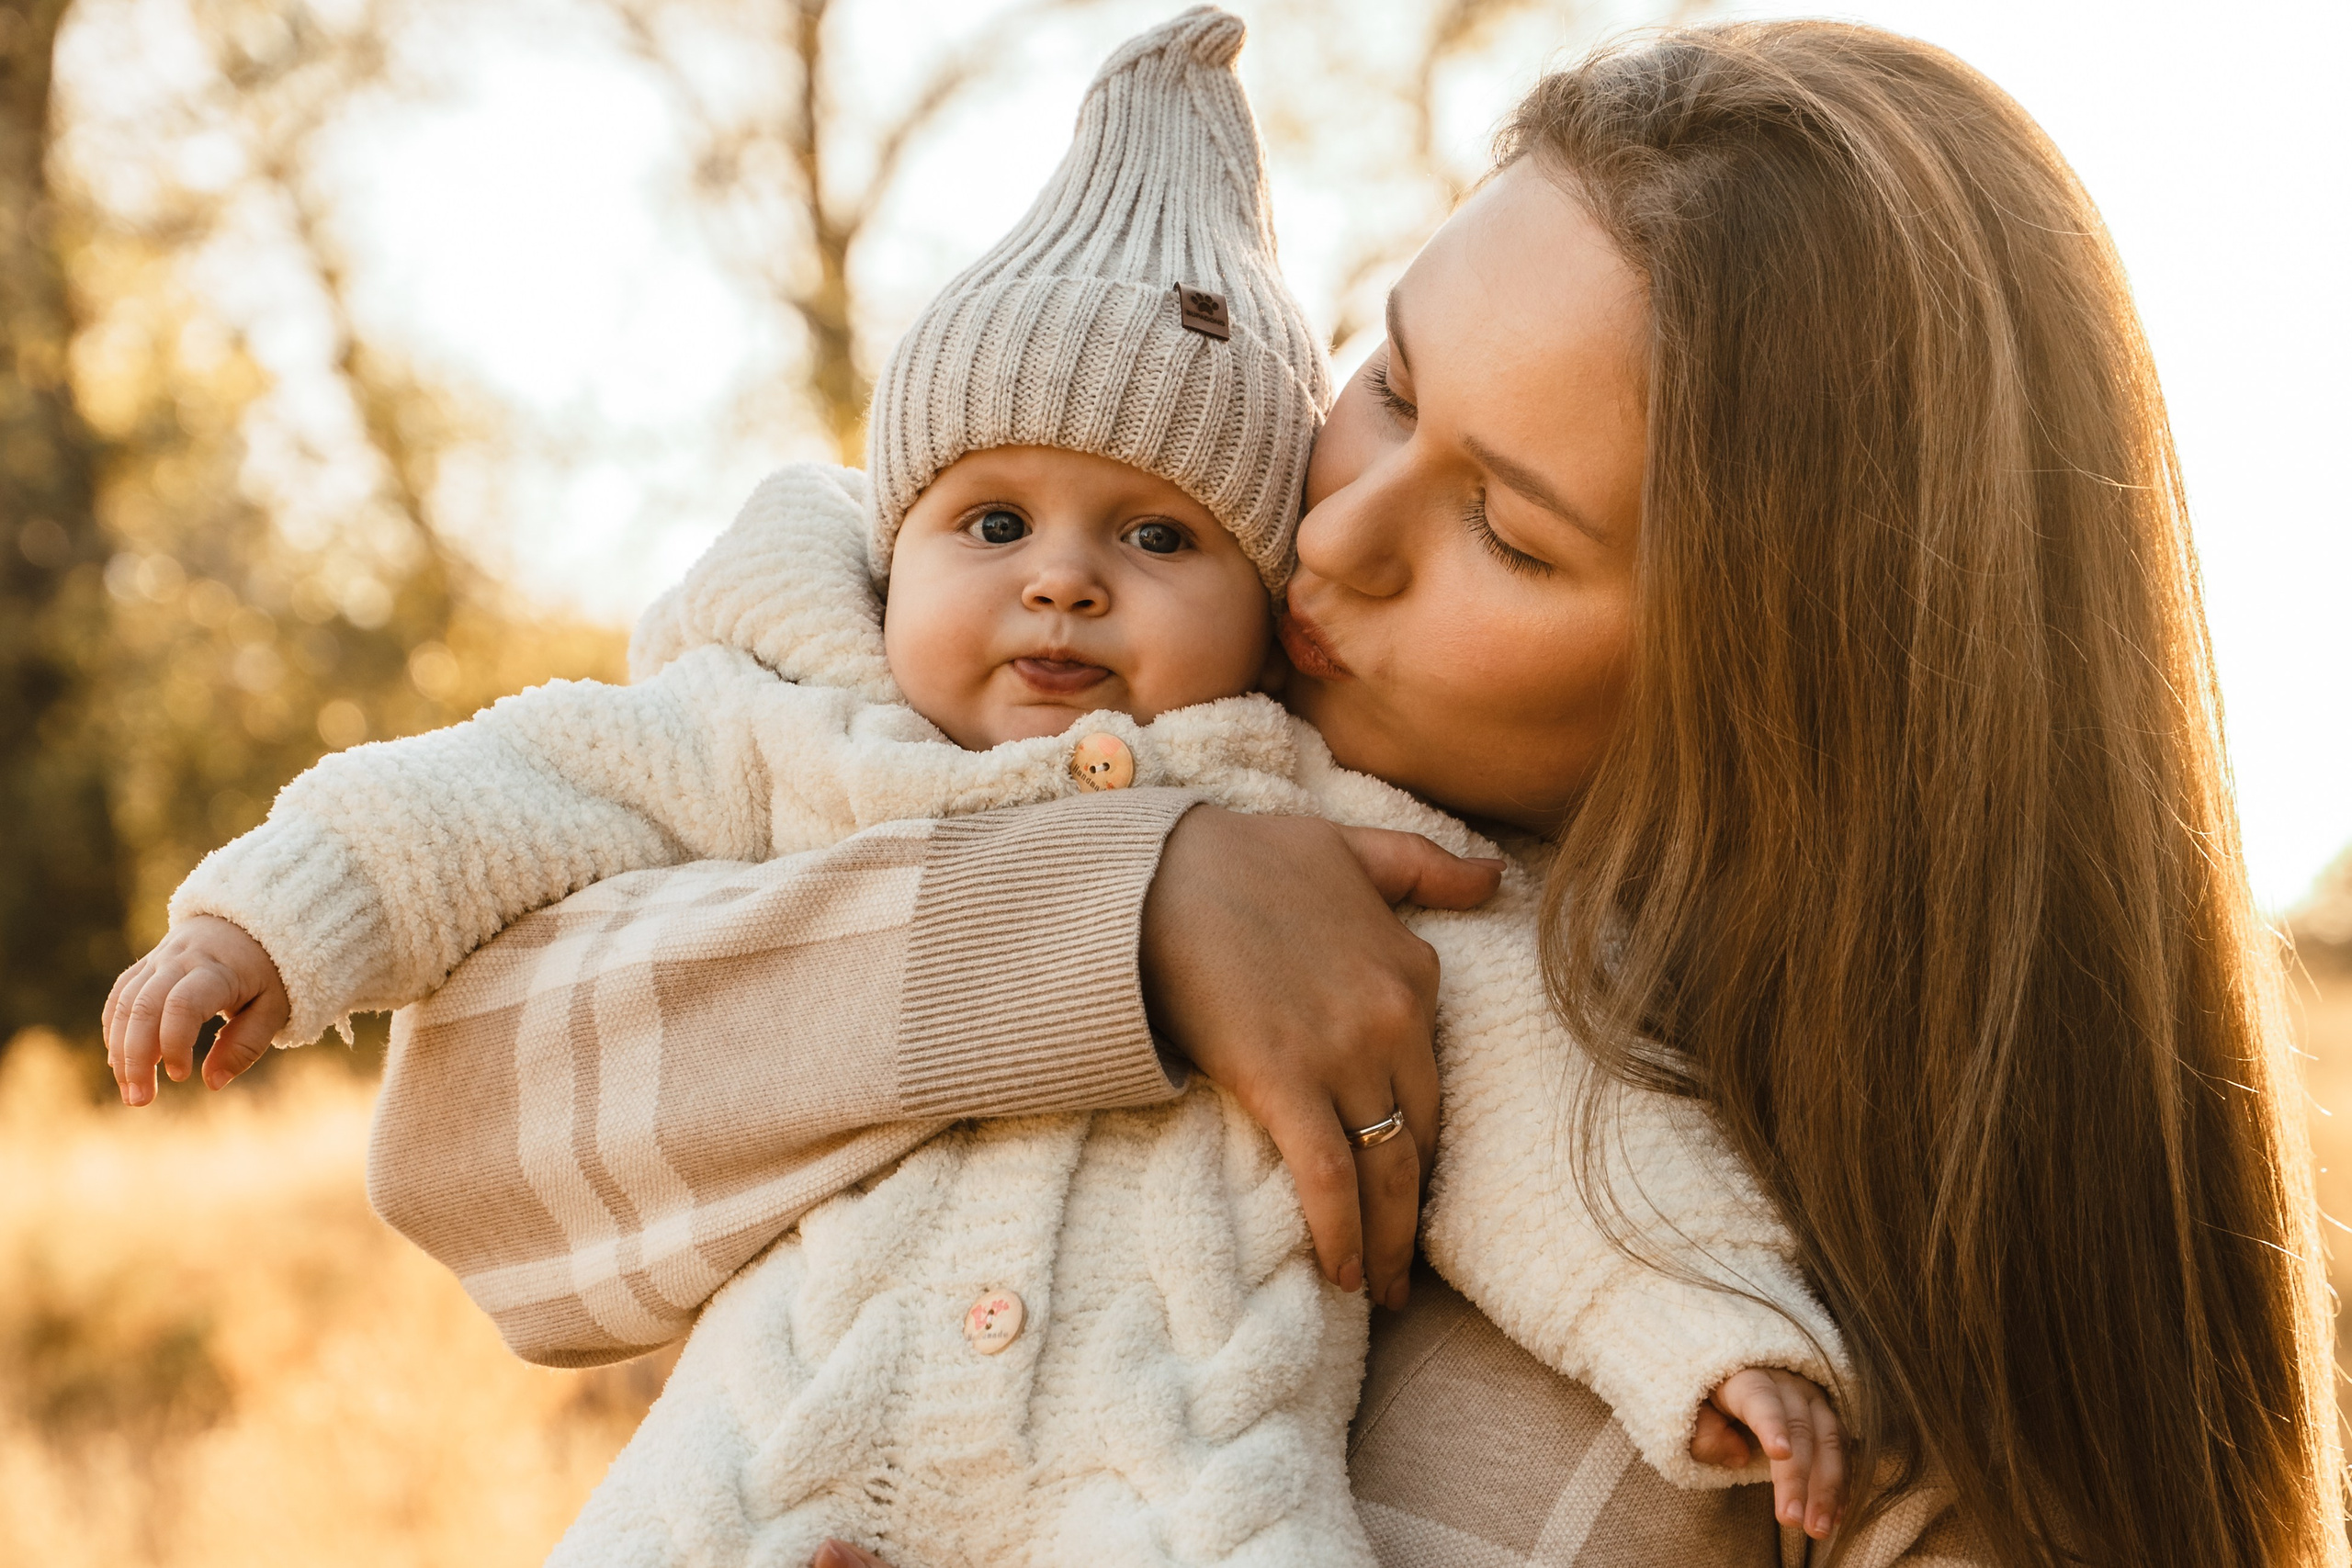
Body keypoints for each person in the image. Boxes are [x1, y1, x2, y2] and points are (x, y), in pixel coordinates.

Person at [98, 11, 1859, 1565]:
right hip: (756, 1486)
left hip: (1179, 1493)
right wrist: (273, 922)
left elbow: (1573, 1123)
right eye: (993, 524)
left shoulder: (1360, 851)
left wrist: (1713, 1335)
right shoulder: (798, 737)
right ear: (895, 538)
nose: (1062, 583)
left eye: (1158, 536)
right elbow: (508, 793)